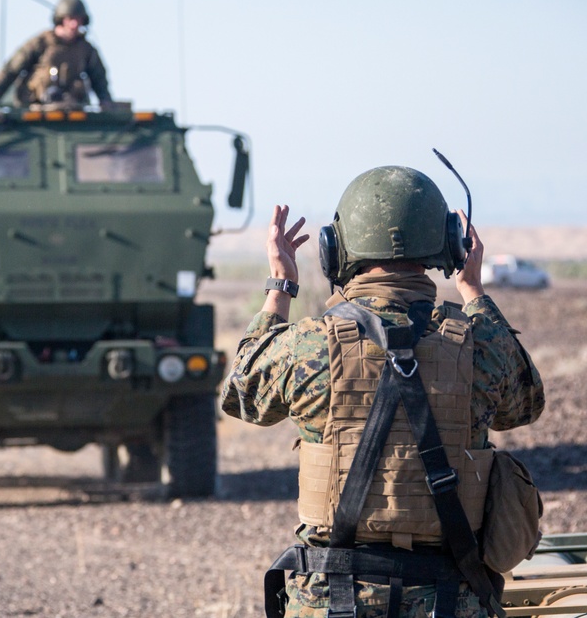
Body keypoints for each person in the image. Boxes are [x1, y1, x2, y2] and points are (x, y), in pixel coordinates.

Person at [220, 165, 545, 618]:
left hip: (331, 600)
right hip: (452, 598)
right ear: (452, 245)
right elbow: (525, 405)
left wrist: (281, 287)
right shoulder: (477, 345)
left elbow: (241, 395)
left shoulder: (309, 342)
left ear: (335, 251)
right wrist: (473, 290)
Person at [0, 0, 112, 109]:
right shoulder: (40, 43)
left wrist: (105, 101)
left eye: (78, 20)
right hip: (36, 109)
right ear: (61, 19)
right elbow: (11, 69)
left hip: (72, 108)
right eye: (70, 19)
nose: (74, 25)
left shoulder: (86, 49)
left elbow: (99, 78)